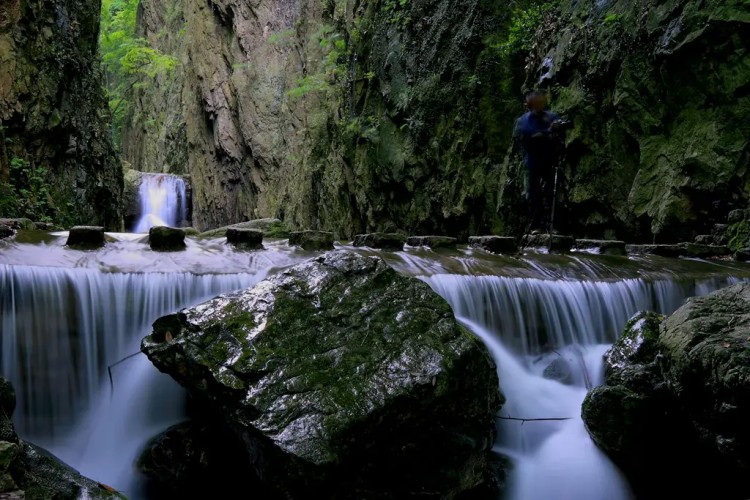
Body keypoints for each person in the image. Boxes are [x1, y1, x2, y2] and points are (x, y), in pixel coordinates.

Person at [513, 90, 568, 232]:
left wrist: (559, 129)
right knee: (534, 194)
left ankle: (555, 225)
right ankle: (536, 224)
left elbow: (562, 133)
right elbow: (532, 138)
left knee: (553, 193)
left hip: (551, 160)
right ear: (530, 105)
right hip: (533, 161)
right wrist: (549, 130)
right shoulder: (523, 121)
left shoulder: (552, 116)